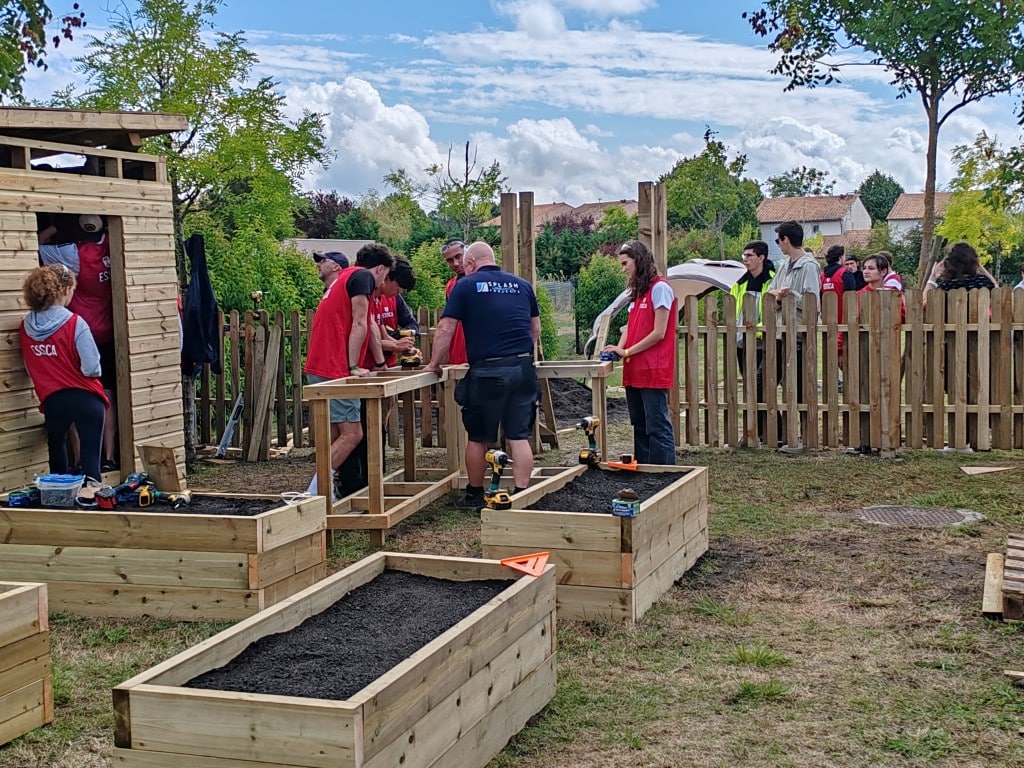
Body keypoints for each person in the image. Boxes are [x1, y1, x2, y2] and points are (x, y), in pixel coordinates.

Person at [425, 241, 540, 507]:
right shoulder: (522, 285)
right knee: (518, 435)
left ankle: (474, 495)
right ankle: (523, 495)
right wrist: (524, 357)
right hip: (522, 368)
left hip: (488, 370)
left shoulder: (465, 285)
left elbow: (446, 328)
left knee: (478, 437)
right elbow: (535, 329)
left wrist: (433, 363)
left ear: (471, 263)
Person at [304, 244, 392, 498]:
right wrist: (353, 366)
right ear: (380, 269)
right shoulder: (363, 277)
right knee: (353, 434)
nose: (381, 285)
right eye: (384, 278)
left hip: (319, 364)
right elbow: (360, 322)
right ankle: (314, 493)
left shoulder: (342, 278)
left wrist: (380, 365)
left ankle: (323, 492)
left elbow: (370, 326)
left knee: (335, 435)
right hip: (334, 368)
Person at [39, 215, 119, 472]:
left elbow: (34, 245)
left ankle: (77, 461)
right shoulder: (114, 244)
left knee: (74, 394)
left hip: (76, 332)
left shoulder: (72, 253)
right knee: (107, 398)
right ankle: (108, 458)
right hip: (110, 333)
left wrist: (53, 228)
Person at [19, 264, 108, 482]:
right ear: (65, 290)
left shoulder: (25, 327)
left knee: (57, 454)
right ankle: (93, 501)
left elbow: (30, 367)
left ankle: (59, 501)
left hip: (53, 400)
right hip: (86, 397)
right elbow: (92, 367)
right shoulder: (75, 323)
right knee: (90, 461)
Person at [601, 240, 678, 465]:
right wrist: (617, 348)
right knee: (640, 424)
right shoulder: (638, 293)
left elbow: (659, 333)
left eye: (625, 263)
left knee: (657, 425)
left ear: (639, 260)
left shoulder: (660, 288)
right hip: (635, 369)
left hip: (652, 369)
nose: (623, 268)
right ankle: (644, 470)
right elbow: (628, 327)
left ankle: (664, 474)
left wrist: (626, 351)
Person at [765, 220, 821, 453]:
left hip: (798, 333)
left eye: (779, 240)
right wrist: (779, 295)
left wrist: (789, 295)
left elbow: (811, 300)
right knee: (765, 381)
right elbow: (771, 290)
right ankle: (779, 434)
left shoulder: (808, 266)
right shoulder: (784, 264)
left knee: (796, 387)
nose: (778, 244)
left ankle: (801, 437)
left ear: (786, 240)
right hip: (780, 331)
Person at [729, 240, 775, 446]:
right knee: (750, 388)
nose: (745, 259)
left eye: (749, 255)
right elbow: (733, 312)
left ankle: (774, 432)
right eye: (744, 255)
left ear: (761, 258)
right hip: (742, 342)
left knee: (762, 388)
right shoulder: (739, 284)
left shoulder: (773, 281)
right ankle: (754, 432)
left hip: (764, 343)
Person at [441, 239, 468, 365]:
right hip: (457, 353)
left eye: (458, 257)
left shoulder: (483, 281)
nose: (456, 263)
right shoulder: (450, 286)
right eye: (450, 260)